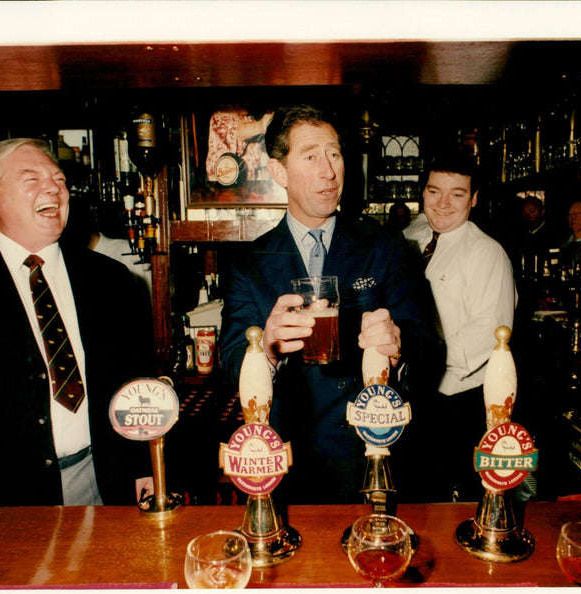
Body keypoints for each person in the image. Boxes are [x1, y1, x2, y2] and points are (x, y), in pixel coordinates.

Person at [219, 105, 442, 504]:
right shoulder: (249, 263)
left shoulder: (387, 246)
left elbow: (427, 343)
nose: (329, 171)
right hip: (291, 464)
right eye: (310, 157)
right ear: (278, 173)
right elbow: (232, 359)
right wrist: (263, 349)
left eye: (335, 154)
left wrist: (400, 344)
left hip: (376, 455)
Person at [0, 138, 155, 506]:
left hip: (98, 480)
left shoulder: (110, 279)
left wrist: (144, 465)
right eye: (31, 179)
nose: (53, 189)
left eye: (59, 180)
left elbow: (135, 380)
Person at [403, 151, 516, 502]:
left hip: (456, 399)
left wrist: (419, 357)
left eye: (458, 194)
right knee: (414, 491)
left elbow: (491, 329)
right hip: (413, 391)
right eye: (435, 191)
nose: (444, 204)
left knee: (453, 498)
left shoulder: (486, 252)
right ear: (422, 193)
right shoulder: (413, 236)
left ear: (475, 198)